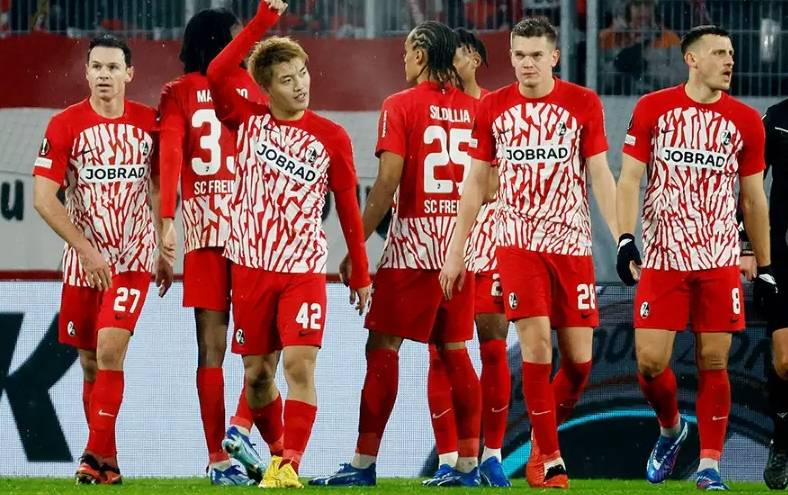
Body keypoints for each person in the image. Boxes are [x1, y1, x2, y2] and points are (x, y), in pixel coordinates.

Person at [440, 16, 619, 489]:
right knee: (537, 347)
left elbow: (601, 174)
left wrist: (623, 236)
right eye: (519, 55)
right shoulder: (494, 106)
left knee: (579, 362)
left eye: (536, 55)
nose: (527, 64)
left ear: (554, 57)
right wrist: (456, 250)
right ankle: (553, 461)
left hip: (571, 245)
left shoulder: (583, 103)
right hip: (517, 244)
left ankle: (542, 442)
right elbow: (475, 184)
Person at [206, 0, 371, 488]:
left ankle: (289, 466)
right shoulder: (246, 120)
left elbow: (349, 210)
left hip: (303, 269)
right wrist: (262, 21)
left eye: (303, 73)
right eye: (286, 79)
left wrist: (361, 273)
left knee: (300, 364)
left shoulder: (331, 137)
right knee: (258, 377)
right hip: (250, 267)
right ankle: (278, 456)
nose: (300, 85)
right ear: (266, 87)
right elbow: (216, 73)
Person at [310, 21, 483, 488]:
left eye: (408, 51)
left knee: (382, 348)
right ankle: (469, 466)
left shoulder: (400, 104)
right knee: (455, 352)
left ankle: (363, 464)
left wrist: (357, 245)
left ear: (422, 55)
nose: (403, 59)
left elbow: (387, 182)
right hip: (461, 248)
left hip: (414, 248)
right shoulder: (477, 109)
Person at [615, 24, 777, 491]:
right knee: (650, 362)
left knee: (714, 360)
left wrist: (765, 266)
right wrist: (625, 239)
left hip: (718, 258)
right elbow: (629, 180)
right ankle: (671, 430)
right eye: (719, 53)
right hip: (663, 256)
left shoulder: (745, 120)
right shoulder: (653, 108)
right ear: (692, 59)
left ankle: (709, 466)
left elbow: (753, 199)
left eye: (731, 53)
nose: (730, 61)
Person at [32, 34, 173, 484]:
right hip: (84, 263)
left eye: (113, 67)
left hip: (132, 257)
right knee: (91, 362)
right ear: (87, 72)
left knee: (111, 350)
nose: (104, 75)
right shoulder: (64, 124)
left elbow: (158, 186)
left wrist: (164, 240)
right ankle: (107, 464)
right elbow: (43, 199)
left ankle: (90, 456)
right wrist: (87, 251)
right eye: (96, 67)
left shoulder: (149, 124)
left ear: (129, 73)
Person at [157, 8, 276, 486]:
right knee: (265, 342)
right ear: (220, 41)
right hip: (252, 229)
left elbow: (170, 154)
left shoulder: (177, 92)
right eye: (235, 37)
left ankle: (218, 460)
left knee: (210, 348)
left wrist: (167, 221)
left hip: (203, 229)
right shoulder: (251, 86)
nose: (244, 46)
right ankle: (241, 429)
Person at [422, 27, 510, 488]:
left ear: (474, 58)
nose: (447, 63)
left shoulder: (496, 108)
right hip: (442, 240)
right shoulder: (427, 106)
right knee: (441, 350)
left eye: (454, 54)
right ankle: (449, 458)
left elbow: (499, 182)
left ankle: (492, 455)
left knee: (493, 345)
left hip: (490, 237)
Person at [749, 100, 788, 490]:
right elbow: (751, 185)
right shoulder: (776, 119)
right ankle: (782, 440)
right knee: (785, 361)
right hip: (781, 257)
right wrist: (750, 249)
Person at [599, 0, 683, 94]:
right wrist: (616, 66)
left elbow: (680, 78)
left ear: (655, 9)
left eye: (647, 4)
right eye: (637, 4)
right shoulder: (608, 37)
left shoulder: (669, 37)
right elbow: (595, 80)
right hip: (614, 100)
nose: (643, 10)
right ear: (627, 8)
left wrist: (648, 68)